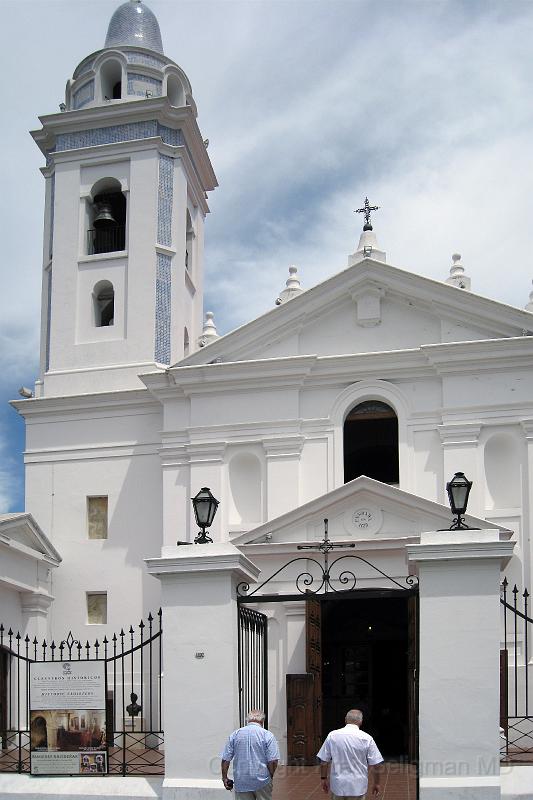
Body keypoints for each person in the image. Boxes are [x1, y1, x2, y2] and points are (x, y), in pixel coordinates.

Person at [317, 709, 383, 799]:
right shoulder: (367, 738)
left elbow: (324, 760)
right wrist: (377, 783)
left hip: (338, 785)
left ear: (345, 720)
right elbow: (376, 764)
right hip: (358, 786)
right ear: (361, 721)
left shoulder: (332, 736)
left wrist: (323, 779)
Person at [221, 709, 280, 799]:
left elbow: (225, 759)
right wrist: (270, 776)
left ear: (248, 720)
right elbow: (273, 761)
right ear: (262, 721)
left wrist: (225, 778)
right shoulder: (267, 735)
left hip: (241, 780)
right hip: (262, 780)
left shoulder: (235, 734)